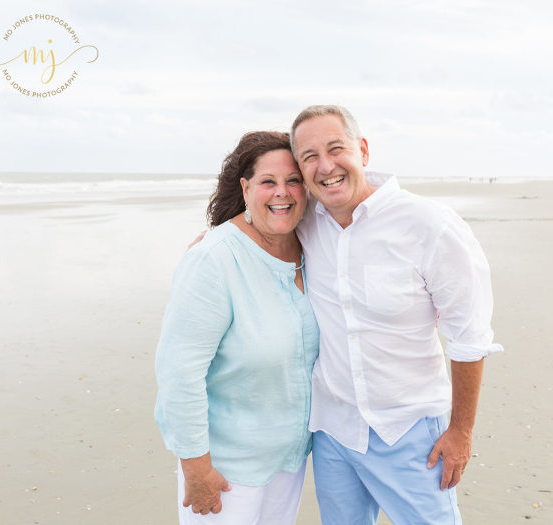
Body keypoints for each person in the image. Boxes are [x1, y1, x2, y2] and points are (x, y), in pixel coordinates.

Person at [289, 105, 503, 524]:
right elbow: (255, 215)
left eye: (336, 149)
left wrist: (460, 431)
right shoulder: (305, 224)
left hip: (409, 433)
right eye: (309, 156)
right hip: (332, 433)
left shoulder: (429, 224)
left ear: (363, 150)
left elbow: (470, 337)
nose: (326, 166)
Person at [154, 131, 319, 524]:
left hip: (288, 462)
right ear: (245, 188)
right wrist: (196, 469)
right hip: (225, 470)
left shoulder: (313, 247)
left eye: (293, 180)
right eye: (268, 182)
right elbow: (180, 373)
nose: (283, 192)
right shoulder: (214, 260)